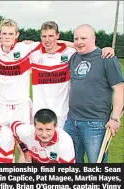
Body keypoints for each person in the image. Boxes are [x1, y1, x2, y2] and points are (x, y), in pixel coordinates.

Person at [64, 24, 123, 163]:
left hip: (95, 123)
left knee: (96, 164)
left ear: (94, 39)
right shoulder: (74, 58)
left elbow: (120, 89)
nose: (79, 42)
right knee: (71, 161)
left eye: (83, 38)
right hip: (72, 121)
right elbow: (60, 43)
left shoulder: (107, 59)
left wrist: (115, 119)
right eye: (76, 38)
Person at [29, 21, 77, 129]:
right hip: (39, 113)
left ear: (57, 36)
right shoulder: (33, 54)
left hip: (61, 113)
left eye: (51, 36)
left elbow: (86, 48)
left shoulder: (69, 53)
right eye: (44, 36)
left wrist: (62, 42)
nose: (47, 39)